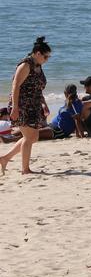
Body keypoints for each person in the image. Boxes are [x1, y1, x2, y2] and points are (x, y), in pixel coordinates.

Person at [1, 36, 51, 175]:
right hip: (22, 105)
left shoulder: (38, 66)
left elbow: (38, 88)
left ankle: (5, 158)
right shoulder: (25, 65)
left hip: (33, 105)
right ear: (38, 53)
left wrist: (44, 104)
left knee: (33, 137)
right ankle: (25, 169)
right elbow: (15, 86)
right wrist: (15, 108)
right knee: (30, 137)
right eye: (46, 57)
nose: (47, 60)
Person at [1, 84, 85, 143]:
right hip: (52, 125)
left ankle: (10, 140)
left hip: (60, 131)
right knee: (29, 128)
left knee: (34, 134)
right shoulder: (68, 102)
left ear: (65, 93)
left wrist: (80, 135)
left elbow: (77, 120)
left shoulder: (75, 104)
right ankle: (8, 135)